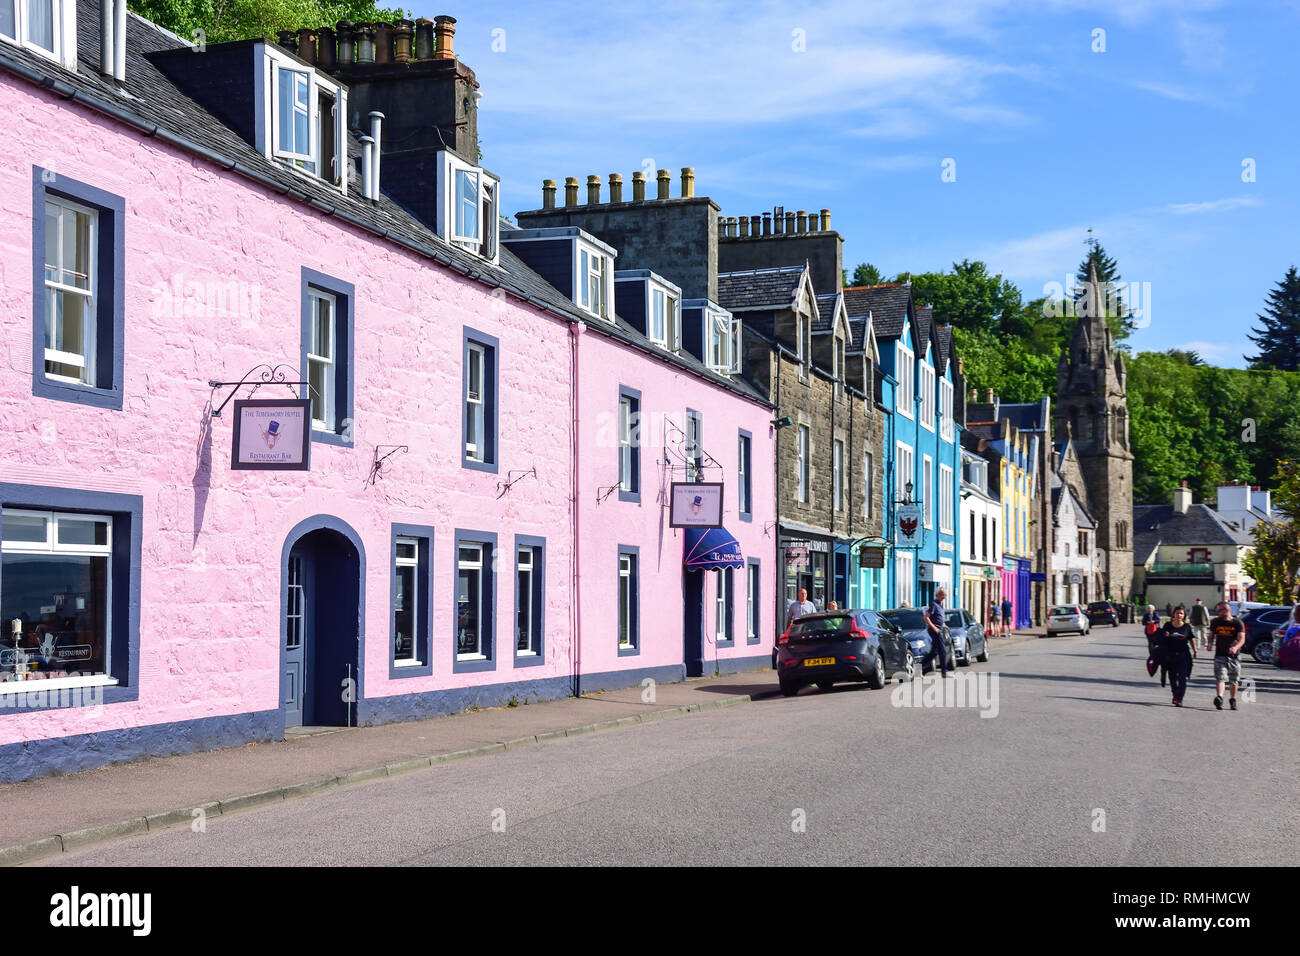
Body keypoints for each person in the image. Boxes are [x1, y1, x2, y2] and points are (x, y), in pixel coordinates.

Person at [1208, 601, 1246, 711]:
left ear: (1226, 610)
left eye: (1219, 610)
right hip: (1220, 654)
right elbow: (1211, 635)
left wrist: (1236, 647)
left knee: (1233, 679)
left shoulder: (1237, 623)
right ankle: (1219, 698)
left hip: (1234, 656)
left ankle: (1233, 700)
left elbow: (1242, 639)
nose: (1217, 612)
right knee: (1220, 677)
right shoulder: (1215, 622)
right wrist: (1210, 643)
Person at [1159, 605, 1196, 706]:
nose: (1179, 615)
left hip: (1183, 655)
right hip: (1170, 656)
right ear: (1173, 614)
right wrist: (1164, 635)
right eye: (1177, 613)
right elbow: (1162, 637)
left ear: (1184, 615)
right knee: (1172, 678)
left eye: (1181, 613)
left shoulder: (1187, 627)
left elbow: (1191, 639)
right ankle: (1175, 694)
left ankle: (1179, 698)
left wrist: (1195, 651)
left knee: (1182, 678)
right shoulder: (1168, 625)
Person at [923, 587, 950, 677]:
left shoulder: (940, 604)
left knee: (934, 652)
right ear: (937, 595)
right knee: (942, 650)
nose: (944, 597)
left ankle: (918, 668)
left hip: (939, 629)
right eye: (942, 595)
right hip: (935, 630)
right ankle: (944, 672)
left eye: (945, 595)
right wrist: (934, 628)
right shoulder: (934, 604)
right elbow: (926, 617)